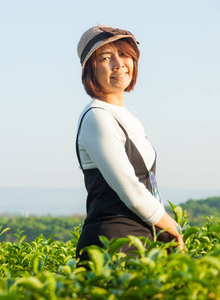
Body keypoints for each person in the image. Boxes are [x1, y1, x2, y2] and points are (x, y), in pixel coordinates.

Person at [75, 25, 184, 261]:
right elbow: (131, 190)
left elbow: (148, 188)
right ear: (90, 70)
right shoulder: (97, 117)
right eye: (106, 58)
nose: (119, 64)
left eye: (124, 54)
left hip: (141, 241)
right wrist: (169, 224)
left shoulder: (126, 117)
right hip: (111, 246)